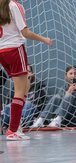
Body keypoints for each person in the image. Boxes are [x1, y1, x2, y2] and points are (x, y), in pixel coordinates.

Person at [0, 0, 52, 140]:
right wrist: (44, 39)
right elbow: (25, 32)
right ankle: (13, 130)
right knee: (20, 91)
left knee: (25, 87)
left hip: (2, 52)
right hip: (15, 49)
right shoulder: (14, 5)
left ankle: (16, 128)